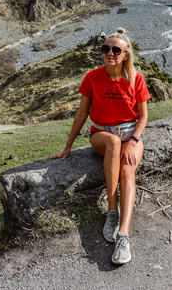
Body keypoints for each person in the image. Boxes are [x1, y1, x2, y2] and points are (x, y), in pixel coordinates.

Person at [52, 28, 150, 265]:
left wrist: (134, 141)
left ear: (125, 55)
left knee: (128, 169)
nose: (110, 53)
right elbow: (82, 113)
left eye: (116, 50)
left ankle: (123, 235)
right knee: (114, 142)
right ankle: (111, 211)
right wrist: (68, 146)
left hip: (130, 135)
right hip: (102, 134)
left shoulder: (136, 78)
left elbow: (143, 117)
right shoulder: (92, 77)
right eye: (106, 48)